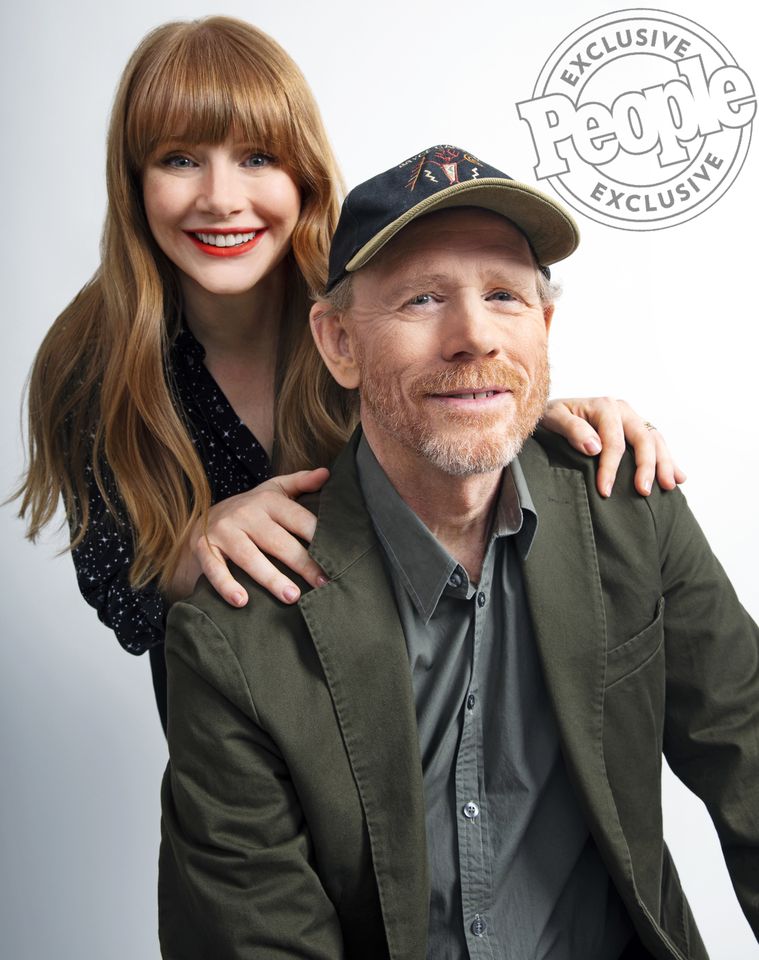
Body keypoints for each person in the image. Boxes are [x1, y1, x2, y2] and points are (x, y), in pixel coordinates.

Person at [159, 146, 758, 959]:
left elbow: (749, 758)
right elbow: (255, 937)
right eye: (421, 299)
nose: (473, 336)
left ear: (543, 328)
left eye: (505, 295)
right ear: (338, 343)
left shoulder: (631, 509)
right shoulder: (236, 628)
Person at [16, 17, 682, 733]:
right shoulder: (92, 358)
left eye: (257, 158)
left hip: (418, 714)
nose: (219, 197)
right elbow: (122, 597)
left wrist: (550, 419)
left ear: (302, 176)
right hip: (238, 744)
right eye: (179, 159)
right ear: (133, 181)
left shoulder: (370, 302)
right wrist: (199, 544)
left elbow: (467, 392)